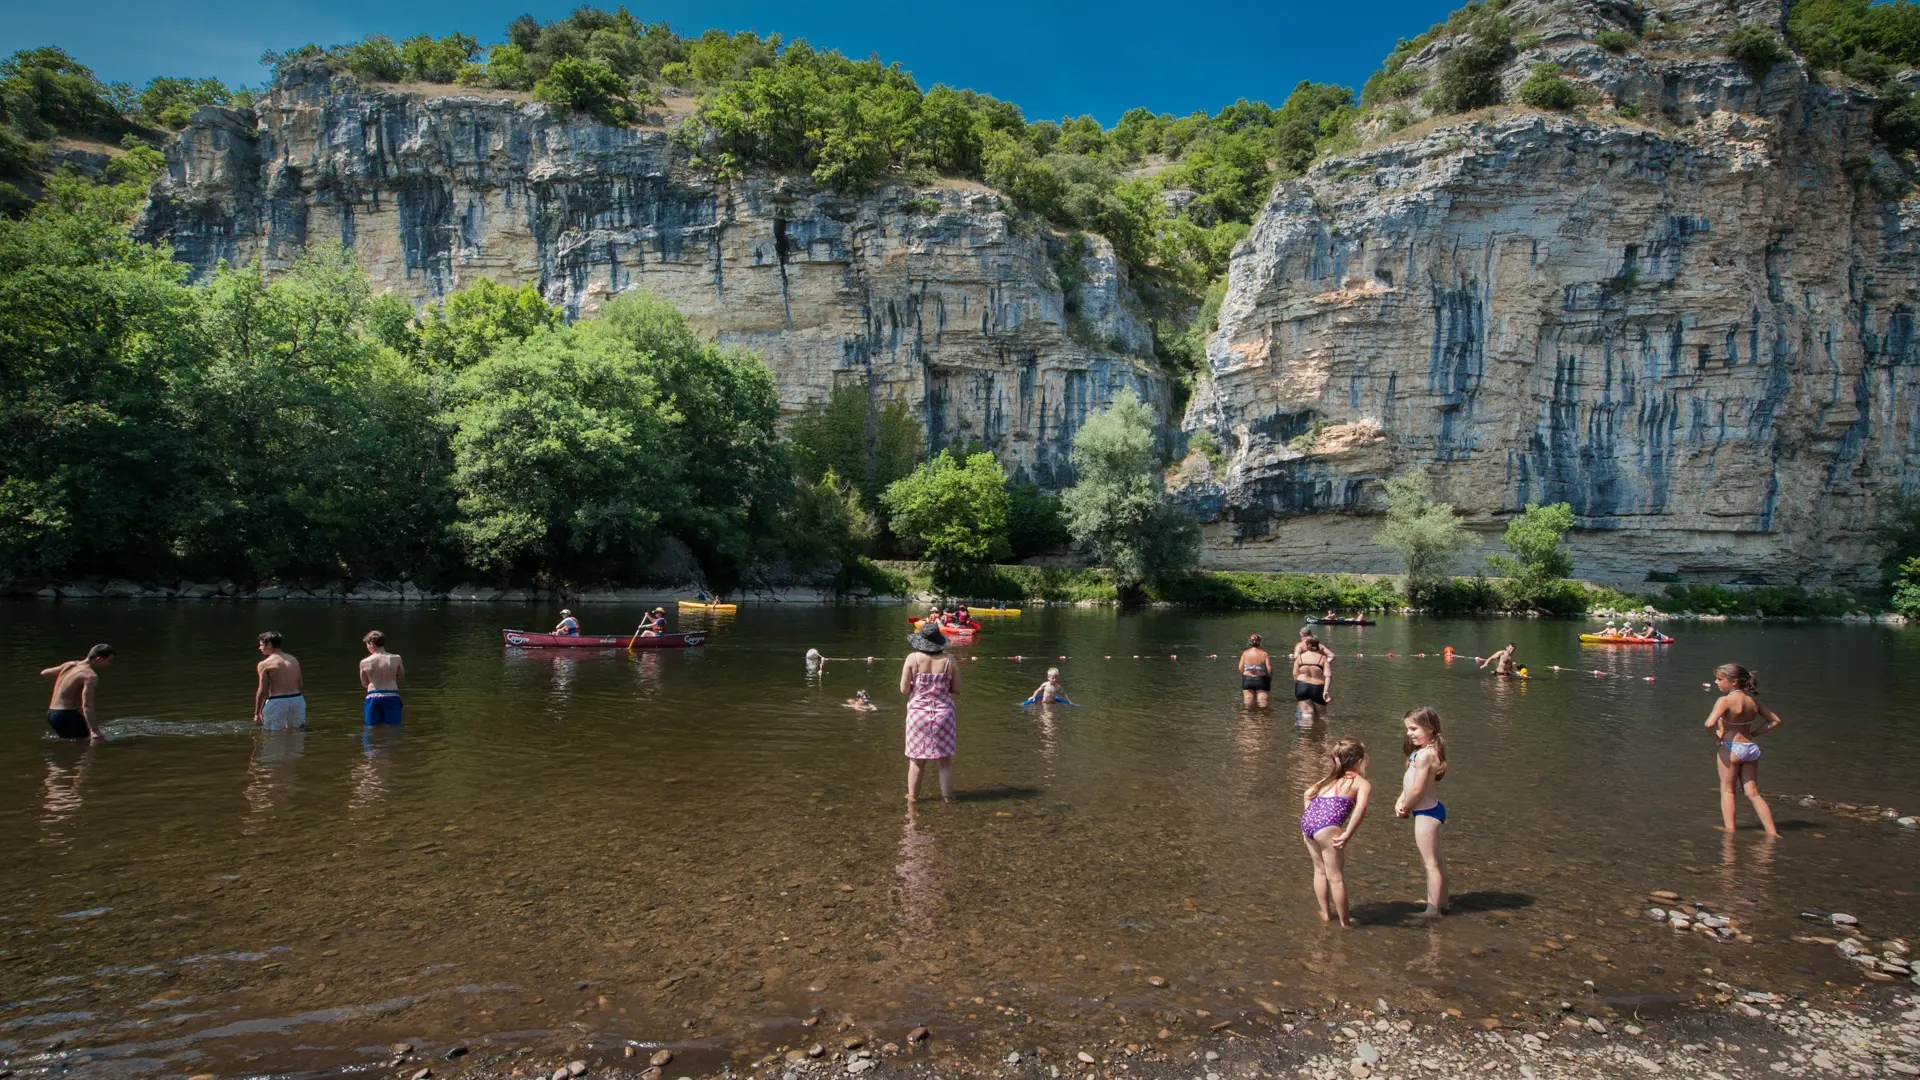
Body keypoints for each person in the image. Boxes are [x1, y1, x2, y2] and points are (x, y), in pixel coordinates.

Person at [1300, 738, 1372, 928]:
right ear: (1360, 760)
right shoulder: (1361, 783)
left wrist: (1308, 816)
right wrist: (1348, 833)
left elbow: (1307, 794)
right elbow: (1361, 809)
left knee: (1320, 871)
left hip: (1308, 823)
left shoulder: (1331, 778)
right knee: (1336, 878)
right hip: (1328, 825)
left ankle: (1326, 914)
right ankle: (1345, 923)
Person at [1706, 663, 1781, 837]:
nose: (1716, 682)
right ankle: (1773, 832)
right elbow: (1775, 721)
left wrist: (1716, 737)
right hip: (1750, 748)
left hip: (1731, 747)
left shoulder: (1724, 701)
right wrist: (1754, 732)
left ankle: (1730, 831)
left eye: (1719, 679)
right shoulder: (1753, 701)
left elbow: (1709, 724)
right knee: (1753, 793)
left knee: (1727, 790)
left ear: (1733, 682)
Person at [1394, 706, 1450, 918]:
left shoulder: (1426, 755)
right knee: (1438, 861)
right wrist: (1401, 799)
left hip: (1426, 813)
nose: (1409, 733)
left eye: (1414, 728)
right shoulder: (1422, 752)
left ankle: (1433, 910)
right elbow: (1411, 783)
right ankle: (1442, 902)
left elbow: (1417, 789)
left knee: (1431, 864)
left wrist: (1406, 806)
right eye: (1408, 729)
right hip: (1429, 808)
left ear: (1430, 728)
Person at [901, 622, 960, 803]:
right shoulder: (950, 661)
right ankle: (948, 799)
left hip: (918, 715)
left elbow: (904, 689)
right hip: (944, 715)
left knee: (917, 761)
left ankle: (912, 799)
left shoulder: (912, 659)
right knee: (945, 762)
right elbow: (957, 689)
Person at [41, 644, 113, 740]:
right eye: (108, 660)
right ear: (98, 659)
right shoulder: (90, 676)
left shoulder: (70, 665)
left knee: (73, 745)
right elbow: (87, 705)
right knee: (89, 742)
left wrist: (67, 680)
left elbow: (45, 673)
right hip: (66, 715)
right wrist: (94, 730)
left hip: (52, 713)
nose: (110, 664)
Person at [254, 631, 306, 730]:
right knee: (298, 734)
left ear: (269, 644)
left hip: (277, 701)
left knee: (272, 736)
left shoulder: (265, 664)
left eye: (261, 645)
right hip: (297, 699)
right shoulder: (293, 660)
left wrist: (257, 713)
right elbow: (300, 685)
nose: (259, 648)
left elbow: (262, 691)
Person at [359, 630, 405, 727]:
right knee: (393, 729)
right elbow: (401, 676)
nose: (367, 647)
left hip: (373, 696)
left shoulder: (365, 662)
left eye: (367, 644)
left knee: (371, 729)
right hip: (392, 695)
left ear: (371, 643)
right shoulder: (396, 658)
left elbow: (364, 684)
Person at [1292, 635, 1333, 726]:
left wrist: (1300, 687)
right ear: (1318, 645)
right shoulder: (1322, 658)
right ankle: (1321, 738)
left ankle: (1306, 738)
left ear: (1307, 646)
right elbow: (1328, 676)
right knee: (1321, 715)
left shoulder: (1300, 657)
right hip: (1317, 687)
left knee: (1306, 714)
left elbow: (1295, 674)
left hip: (1301, 686)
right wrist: (1326, 691)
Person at [1239, 634, 1272, 708]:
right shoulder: (1264, 654)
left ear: (1250, 642)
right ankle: (1261, 719)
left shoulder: (1245, 653)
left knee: (1247, 706)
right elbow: (1269, 669)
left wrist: (1245, 677)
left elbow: (1240, 668)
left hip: (1248, 680)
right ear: (1260, 642)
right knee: (1263, 706)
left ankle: (1248, 719)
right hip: (1261, 680)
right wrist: (1269, 680)